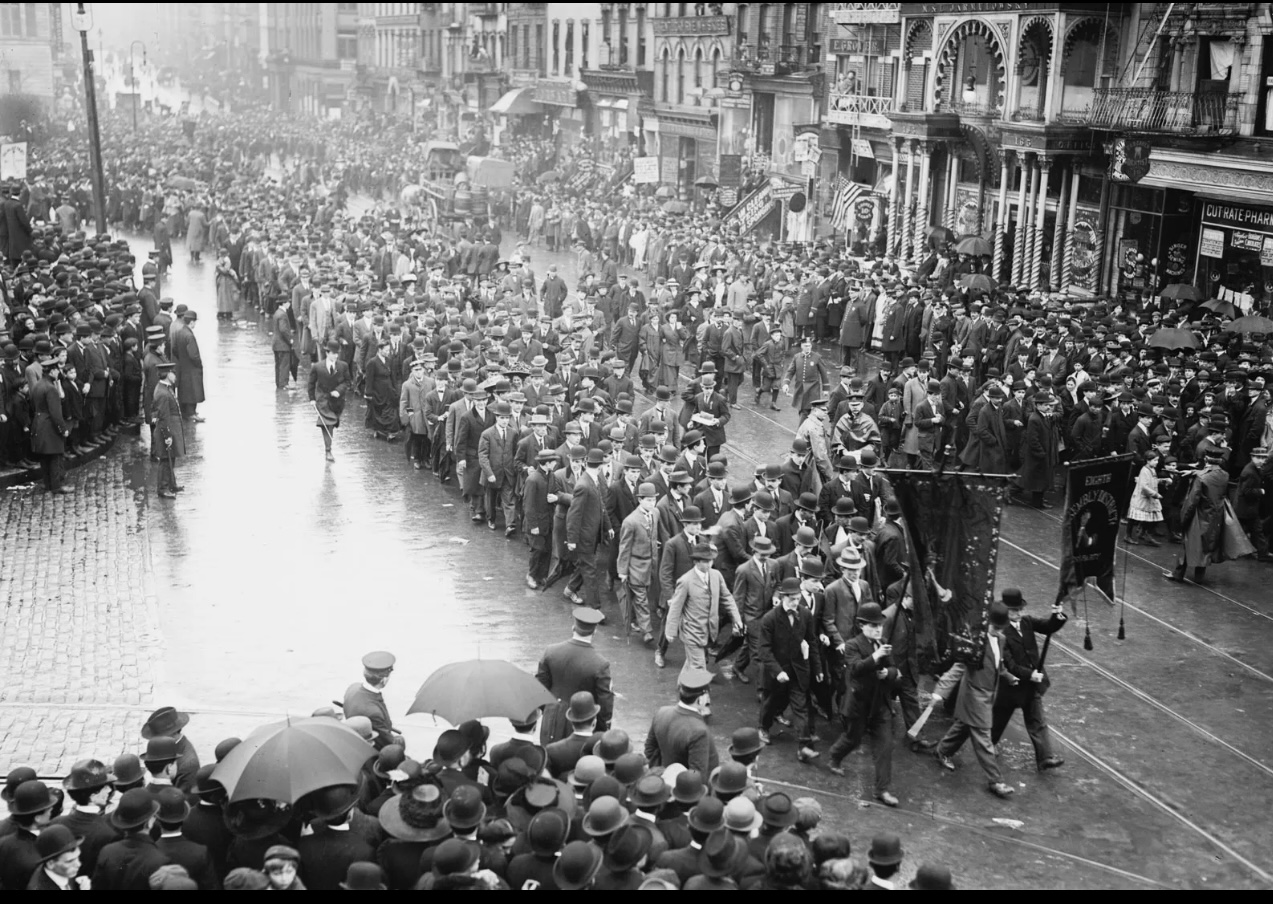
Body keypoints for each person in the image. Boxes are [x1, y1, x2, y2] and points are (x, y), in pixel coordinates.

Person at [931, 602, 1017, 799]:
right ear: (986, 623)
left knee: (964, 727)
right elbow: (958, 667)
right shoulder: (974, 643)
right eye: (995, 628)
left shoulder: (1001, 639)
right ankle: (996, 780)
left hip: (988, 694)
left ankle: (942, 750)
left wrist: (1009, 677)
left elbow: (998, 664)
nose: (997, 632)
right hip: (974, 695)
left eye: (1001, 628)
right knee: (983, 737)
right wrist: (941, 690)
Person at [826, 602, 899, 807]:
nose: (878, 629)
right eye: (873, 626)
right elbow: (856, 668)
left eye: (880, 626)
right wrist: (876, 657)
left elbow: (894, 670)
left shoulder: (884, 643)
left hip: (880, 704)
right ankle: (835, 756)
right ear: (861, 626)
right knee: (853, 738)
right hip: (859, 703)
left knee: (885, 746)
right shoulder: (853, 645)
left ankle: (882, 790)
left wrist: (887, 674)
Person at [991, 589, 1066, 771]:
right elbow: (1009, 664)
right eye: (1013, 611)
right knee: (999, 719)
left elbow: (1049, 627)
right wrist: (1030, 674)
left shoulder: (1027, 622)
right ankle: (988, 743)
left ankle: (1045, 757)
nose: (1018, 614)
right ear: (1005, 611)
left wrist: (1057, 615)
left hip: (1031, 686)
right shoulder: (1002, 634)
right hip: (1012, 687)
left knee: (1037, 721)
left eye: (1019, 610)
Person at [665, 539, 742, 703]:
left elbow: (727, 597)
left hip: (710, 630)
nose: (709, 564)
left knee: (692, 661)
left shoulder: (716, 575)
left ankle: (682, 684)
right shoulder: (686, 581)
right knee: (699, 666)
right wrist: (670, 631)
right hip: (692, 632)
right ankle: (703, 701)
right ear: (696, 561)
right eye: (706, 561)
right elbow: (675, 607)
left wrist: (737, 618)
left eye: (711, 560)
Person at [756, 576, 822, 764]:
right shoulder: (770, 619)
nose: (795, 602)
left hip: (798, 669)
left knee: (800, 707)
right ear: (783, 597)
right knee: (770, 703)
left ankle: (804, 746)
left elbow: (812, 641)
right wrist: (778, 671)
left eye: (797, 598)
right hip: (775, 671)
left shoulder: (805, 615)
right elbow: (764, 650)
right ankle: (763, 727)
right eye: (791, 598)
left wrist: (817, 668)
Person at [535, 607, 614, 745]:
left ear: (573, 627)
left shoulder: (551, 652)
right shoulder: (600, 664)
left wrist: (546, 711)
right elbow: (605, 705)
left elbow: (540, 688)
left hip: (551, 719)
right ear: (594, 631)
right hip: (581, 724)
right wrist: (603, 730)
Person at [1167, 447, 1234, 584]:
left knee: (1187, 542)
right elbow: (1212, 474)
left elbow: (1192, 501)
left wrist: (1184, 518)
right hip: (1215, 515)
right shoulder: (1224, 475)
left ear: (1205, 459)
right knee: (1207, 545)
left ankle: (1178, 573)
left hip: (1199, 515)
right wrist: (1194, 472)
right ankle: (1199, 577)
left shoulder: (1201, 478)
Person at [644, 668, 719, 777]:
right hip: (686, 789)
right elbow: (696, 773)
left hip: (666, 782)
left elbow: (649, 750)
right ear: (701, 699)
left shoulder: (661, 712)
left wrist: (663, 775)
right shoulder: (699, 731)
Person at [617, 481, 661, 644]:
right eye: (648, 500)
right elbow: (624, 547)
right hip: (635, 566)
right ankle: (647, 631)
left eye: (653, 499)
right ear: (640, 500)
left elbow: (655, 536)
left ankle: (634, 620)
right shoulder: (631, 521)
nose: (652, 503)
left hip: (651, 565)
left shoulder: (655, 513)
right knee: (641, 599)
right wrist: (622, 571)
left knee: (642, 596)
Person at [342, 651, 403, 750]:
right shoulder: (373, 712)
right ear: (384, 680)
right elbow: (387, 743)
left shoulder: (352, 688)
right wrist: (399, 742)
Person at [30, 354, 71, 494]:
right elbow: (55, 412)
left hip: (38, 423)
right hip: (49, 426)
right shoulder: (51, 388)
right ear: (52, 371)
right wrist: (63, 428)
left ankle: (48, 485)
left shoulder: (37, 385)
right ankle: (56, 486)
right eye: (57, 370)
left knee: (45, 457)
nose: (59, 372)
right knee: (54, 456)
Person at [479, 400, 520, 535]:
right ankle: (491, 519)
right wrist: (489, 473)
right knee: (490, 499)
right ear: (496, 418)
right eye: (502, 418)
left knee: (509, 499)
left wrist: (514, 470)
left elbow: (515, 452)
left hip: (508, 472)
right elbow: (483, 456)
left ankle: (510, 525)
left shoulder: (513, 433)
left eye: (507, 418)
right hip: (492, 473)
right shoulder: (487, 434)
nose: (504, 421)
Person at [308, 339, 351, 462]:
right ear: (327, 353)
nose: (336, 356)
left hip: (337, 401)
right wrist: (312, 399)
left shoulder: (343, 366)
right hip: (322, 399)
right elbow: (311, 384)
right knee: (327, 424)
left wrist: (339, 390)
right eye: (333, 353)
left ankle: (328, 449)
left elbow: (348, 382)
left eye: (337, 353)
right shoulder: (317, 367)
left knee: (333, 422)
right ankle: (328, 450)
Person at [524, 449, 558, 589]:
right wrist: (533, 525)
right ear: (547, 463)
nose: (555, 464)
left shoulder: (551, 476)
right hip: (537, 522)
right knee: (537, 550)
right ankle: (531, 575)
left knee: (547, 550)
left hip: (548, 521)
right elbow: (528, 504)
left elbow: (555, 491)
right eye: (553, 461)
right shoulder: (533, 479)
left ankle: (542, 576)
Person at [152, 362, 184, 499]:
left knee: (172, 457)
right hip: (167, 429)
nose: (175, 375)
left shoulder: (165, 388)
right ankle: (163, 488)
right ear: (167, 374)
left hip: (171, 428)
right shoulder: (163, 393)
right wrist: (167, 436)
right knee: (165, 460)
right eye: (173, 373)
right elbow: (164, 416)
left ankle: (171, 483)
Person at [172, 311, 205, 421]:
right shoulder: (189, 335)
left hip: (182, 365)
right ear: (191, 322)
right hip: (191, 368)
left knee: (184, 389)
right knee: (193, 390)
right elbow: (194, 355)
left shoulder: (179, 332)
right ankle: (191, 413)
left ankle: (185, 412)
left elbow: (174, 349)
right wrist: (199, 364)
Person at [271, 297, 294, 389]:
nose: (289, 304)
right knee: (284, 365)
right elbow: (283, 329)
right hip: (283, 344)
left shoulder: (277, 312)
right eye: (288, 302)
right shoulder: (283, 314)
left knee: (278, 365)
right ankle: (283, 384)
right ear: (284, 303)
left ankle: (279, 383)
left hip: (276, 344)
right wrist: (290, 339)